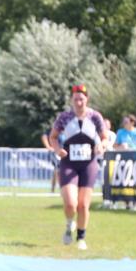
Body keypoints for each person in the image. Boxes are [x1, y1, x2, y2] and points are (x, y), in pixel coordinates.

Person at [48, 84, 109, 251]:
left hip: (88, 163)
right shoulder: (64, 117)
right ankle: (69, 225)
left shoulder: (95, 116)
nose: (79, 102)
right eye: (76, 99)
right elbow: (53, 136)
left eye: (81, 99)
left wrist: (101, 146)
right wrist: (57, 149)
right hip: (68, 163)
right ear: (71, 100)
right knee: (70, 204)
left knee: (83, 205)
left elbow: (105, 137)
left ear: (86, 99)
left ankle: (81, 237)